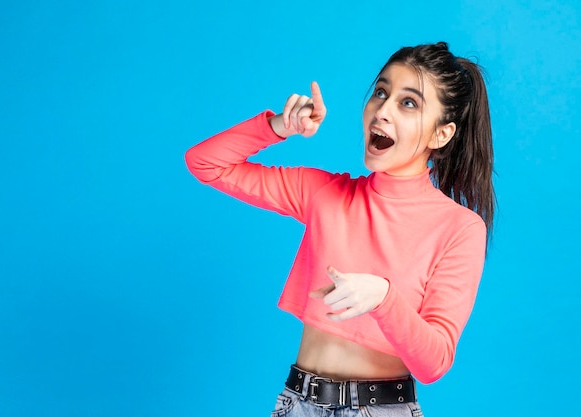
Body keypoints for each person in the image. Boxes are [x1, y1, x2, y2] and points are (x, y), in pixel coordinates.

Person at [185, 42, 495, 417]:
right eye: (381, 93)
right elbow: (205, 164)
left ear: (440, 135)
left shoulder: (459, 228)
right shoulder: (325, 194)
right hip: (296, 403)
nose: (381, 110)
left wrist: (384, 298)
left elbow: (435, 363)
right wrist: (279, 127)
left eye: (408, 103)